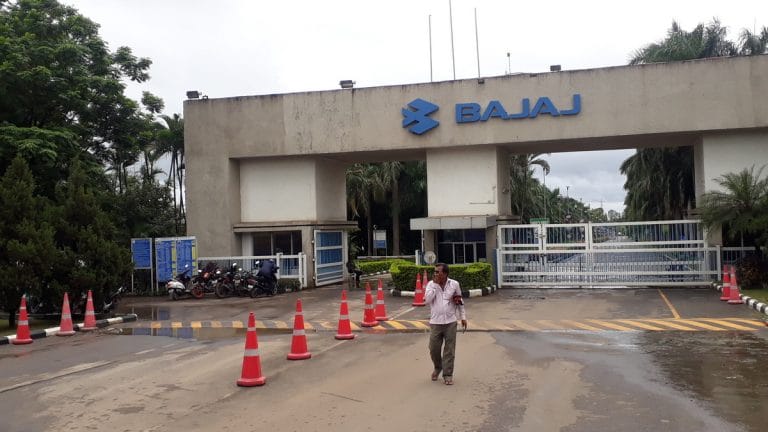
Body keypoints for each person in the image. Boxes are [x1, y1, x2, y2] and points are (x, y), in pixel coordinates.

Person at [424, 262, 467, 385]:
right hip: (435, 322)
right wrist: (436, 286)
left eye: (438, 272)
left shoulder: (454, 284)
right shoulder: (431, 285)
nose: (435, 274)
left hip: (450, 322)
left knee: (449, 350)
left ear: (445, 273)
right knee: (433, 349)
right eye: (435, 271)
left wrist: (463, 317)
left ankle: (448, 374)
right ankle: (438, 367)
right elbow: (427, 300)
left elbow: (459, 300)